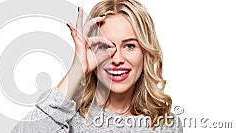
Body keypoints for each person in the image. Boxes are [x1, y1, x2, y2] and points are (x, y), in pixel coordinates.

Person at [12, 0, 183, 132]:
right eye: (104, 46)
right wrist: (77, 69)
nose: (117, 59)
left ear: (145, 52)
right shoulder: (64, 112)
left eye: (129, 46)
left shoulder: (166, 124)